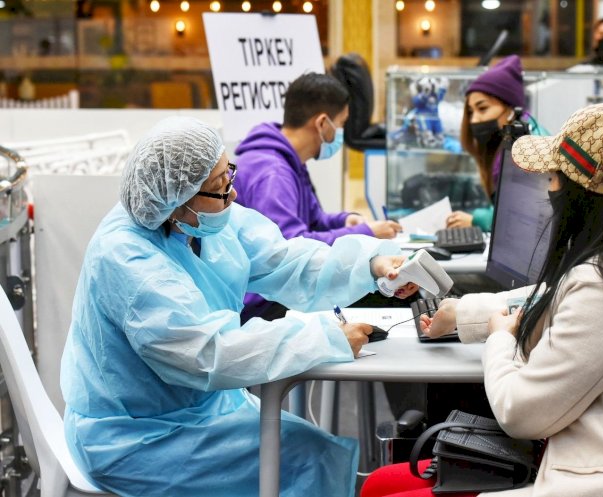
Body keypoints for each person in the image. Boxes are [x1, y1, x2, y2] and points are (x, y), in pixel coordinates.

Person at [363, 103, 603, 497]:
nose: (549, 189)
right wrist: (461, 313)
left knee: (381, 490)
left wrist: (499, 339)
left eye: (554, 178)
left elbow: (520, 413)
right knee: (381, 484)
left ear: (582, 194)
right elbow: (553, 295)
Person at [60, 116, 419, 497]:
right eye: (218, 186)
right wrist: (323, 338)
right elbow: (207, 353)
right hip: (135, 437)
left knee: (307, 448)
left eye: (227, 174)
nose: (231, 194)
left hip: (201, 411)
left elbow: (285, 261)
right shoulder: (127, 258)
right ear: (177, 201)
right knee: (309, 456)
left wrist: (371, 264)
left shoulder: (202, 220)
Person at [233, 72, 403, 321]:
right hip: (265, 304)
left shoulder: (289, 161)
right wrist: (365, 232)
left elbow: (313, 219)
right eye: (342, 124)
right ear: (323, 123)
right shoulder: (273, 173)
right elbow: (291, 250)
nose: (342, 133)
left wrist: (345, 221)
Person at [446, 55, 548, 232]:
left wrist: (476, 219)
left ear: (510, 108)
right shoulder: (505, 142)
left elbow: (527, 214)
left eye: (483, 108)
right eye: (470, 112)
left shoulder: (530, 145)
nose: (474, 119)